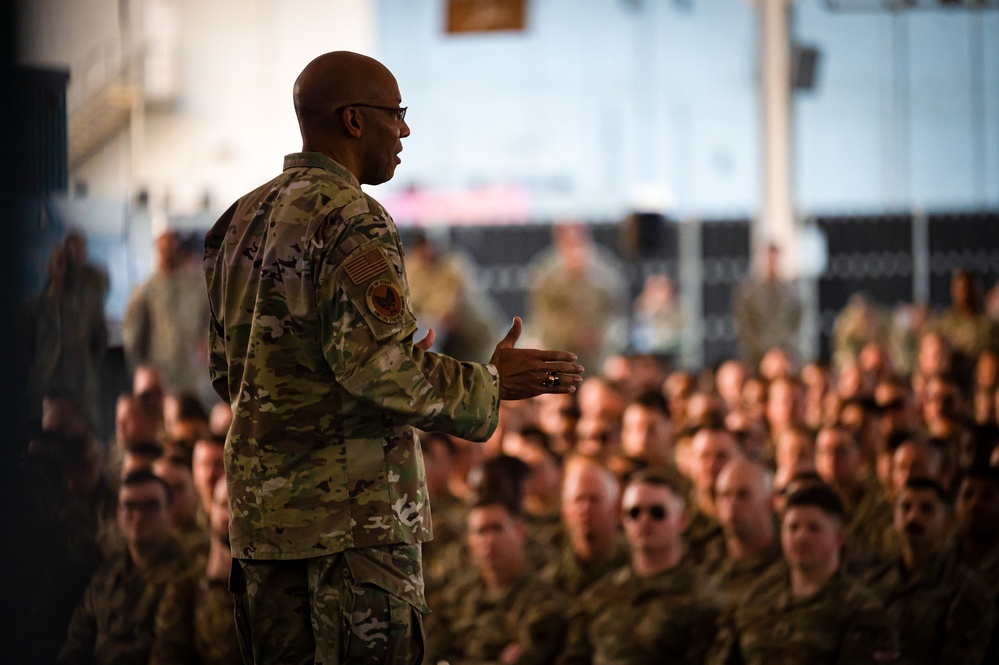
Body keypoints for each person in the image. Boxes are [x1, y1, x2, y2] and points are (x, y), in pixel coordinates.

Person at [204, 50, 584, 665]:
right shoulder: (350, 217)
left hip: (266, 532)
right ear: (354, 121)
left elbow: (232, 375)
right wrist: (489, 383)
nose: (404, 131)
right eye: (396, 113)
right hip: (351, 537)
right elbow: (378, 371)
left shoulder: (237, 221)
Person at [707, 483, 898, 665]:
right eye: (793, 528)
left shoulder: (860, 609)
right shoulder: (757, 595)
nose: (800, 537)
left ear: (839, 537)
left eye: (813, 528)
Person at [557, 469, 722, 664]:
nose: (644, 521)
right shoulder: (599, 597)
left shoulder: (703, 599)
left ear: (681, 521)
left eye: (657, 512)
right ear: (623, 520)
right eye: (634, 513)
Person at [58, 470, 194, 665]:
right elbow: (77, 642)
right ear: (118, 514)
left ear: (169, 511)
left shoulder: (187, 573)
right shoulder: (105, 575)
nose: (138, 516)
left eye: (150, 506)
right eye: (130, 506)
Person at [864, 478, 995, 664]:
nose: (913, 517)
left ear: (947, 522)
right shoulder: (873, 582)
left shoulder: (965, 590)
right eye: (905, 507)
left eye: (926, 509)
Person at [425, 498, 568, 665]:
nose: (489, 540)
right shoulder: (456, 598)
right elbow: (428, 655)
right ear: (470, 542)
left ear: (520, 532)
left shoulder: (542, 601)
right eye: (481, 532)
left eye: (497, 528)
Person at [150, 477, 242, 665]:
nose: (232, 514)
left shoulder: (268, 579)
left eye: (241, 507)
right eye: (225, 504)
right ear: (210, 508)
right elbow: (168, 648)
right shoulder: (188, 577)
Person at [123, 226, 214, 407]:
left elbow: (210, 317)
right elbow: (132, 331)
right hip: (160, 368)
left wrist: (207, 343)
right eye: (162, 249)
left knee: (193, 413)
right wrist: (139, 369)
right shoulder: (147, 289)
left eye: (171, 248)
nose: (167, 254)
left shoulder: (195, 285)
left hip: (191, 369)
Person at [541, 455, 629, 598]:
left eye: (594, 500)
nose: (585, 508)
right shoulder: (551, 567)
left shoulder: (632, 562)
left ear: (614, 508)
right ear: (565, 510)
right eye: (578, 500)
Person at [709, 459, 781, 607]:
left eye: (743, 495)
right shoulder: (705, 556)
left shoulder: (787, 562)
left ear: (770, 503)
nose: (732, 505)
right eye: (725, 495)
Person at [732, 242, 803, 371]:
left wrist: (782, 351)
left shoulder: (790, 292)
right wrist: (762, 351)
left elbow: (796, 321)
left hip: (784, 353)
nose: (772, 262)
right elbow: (745, 325)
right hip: (757, 356)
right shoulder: (748, 292)